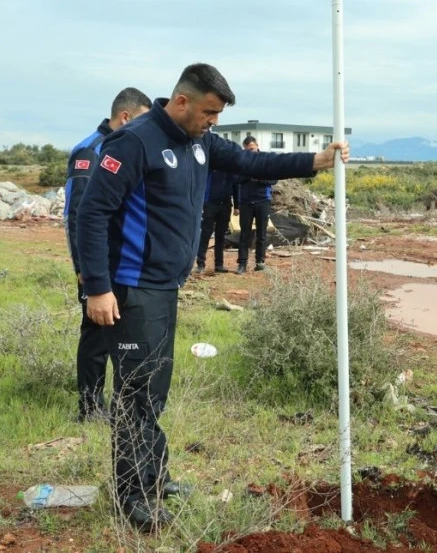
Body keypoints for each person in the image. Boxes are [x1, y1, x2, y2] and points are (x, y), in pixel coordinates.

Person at [75, 63, 349, 530]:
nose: (213, 121)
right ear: (181, 101)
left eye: (218, 114)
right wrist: (97, 288)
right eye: (209, 111)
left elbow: (250, 164)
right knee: (136, 394)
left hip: (164, 288)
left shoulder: (198, 141)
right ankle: (133, 499)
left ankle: (154, 478)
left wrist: (313, 162)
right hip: (131, 288)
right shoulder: (134, 142)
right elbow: (91, 214)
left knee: (152, 391)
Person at [63, 87, 151, 423]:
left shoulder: (127, 148)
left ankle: (123, 404)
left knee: (125, 336)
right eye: (143, 120)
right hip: (97, 264)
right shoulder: (91, 149)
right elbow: (78, 215)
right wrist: (84, 270)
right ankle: (90, 407)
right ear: (126, 117)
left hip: (124, 261)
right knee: (96, 335)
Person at [233, 136, 277, 275]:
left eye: (251, 149)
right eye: (247, 150)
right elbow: (235, 179)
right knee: (244, 235)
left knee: (261, 234)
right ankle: (242, 264)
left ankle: (260, 262)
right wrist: (247, 176)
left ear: (257, 146)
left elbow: (273, 179)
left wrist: (257, 178)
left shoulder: (266, 160)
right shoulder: (241, 162)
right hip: (246, 203)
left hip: (262, 201)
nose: (250, 152)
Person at [195, 166, 234, 274]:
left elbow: (235, 186)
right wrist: (202, 203)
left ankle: (219, 265)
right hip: (210, 204)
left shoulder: (230, 168)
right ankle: (200, 263)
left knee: (221, 236)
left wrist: (237, 206)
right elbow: (201, 185)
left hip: (225, 205)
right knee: (205, 234)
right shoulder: (210, 166)